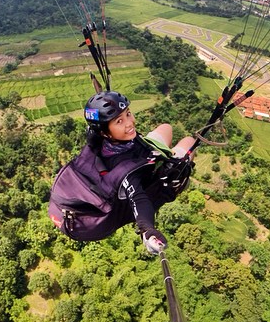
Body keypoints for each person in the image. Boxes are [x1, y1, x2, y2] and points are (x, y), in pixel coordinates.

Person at [49, 91, 195, 254]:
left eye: (128, 114)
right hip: (134, 182)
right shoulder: (126, 174)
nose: (129, 123)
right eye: (119, 121)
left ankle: (163, 153)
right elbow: (138, 199)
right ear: (105, 132)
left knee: (166, 128)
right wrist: (147, 230)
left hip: (133, 153)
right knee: (189, 142)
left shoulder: (97, 138)